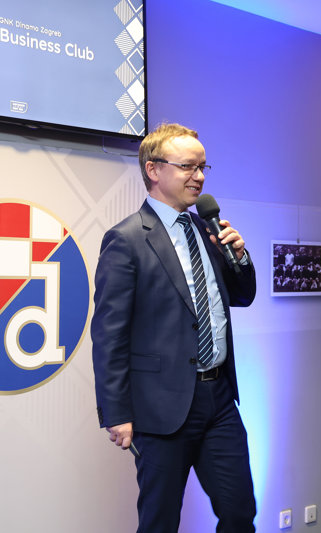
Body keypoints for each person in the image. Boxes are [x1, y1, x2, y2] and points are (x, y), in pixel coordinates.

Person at [91, 123, 257, 532]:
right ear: (153, 169)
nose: (198, 177)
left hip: (219, 400)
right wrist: (116, 412)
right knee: (160, 521)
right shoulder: (126, 239)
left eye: (203, 167)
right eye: (188, 167)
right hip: (161, 408)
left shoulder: (207, 229)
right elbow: (109, 334)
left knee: (239, 514)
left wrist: (239, 256)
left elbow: (242, 296)